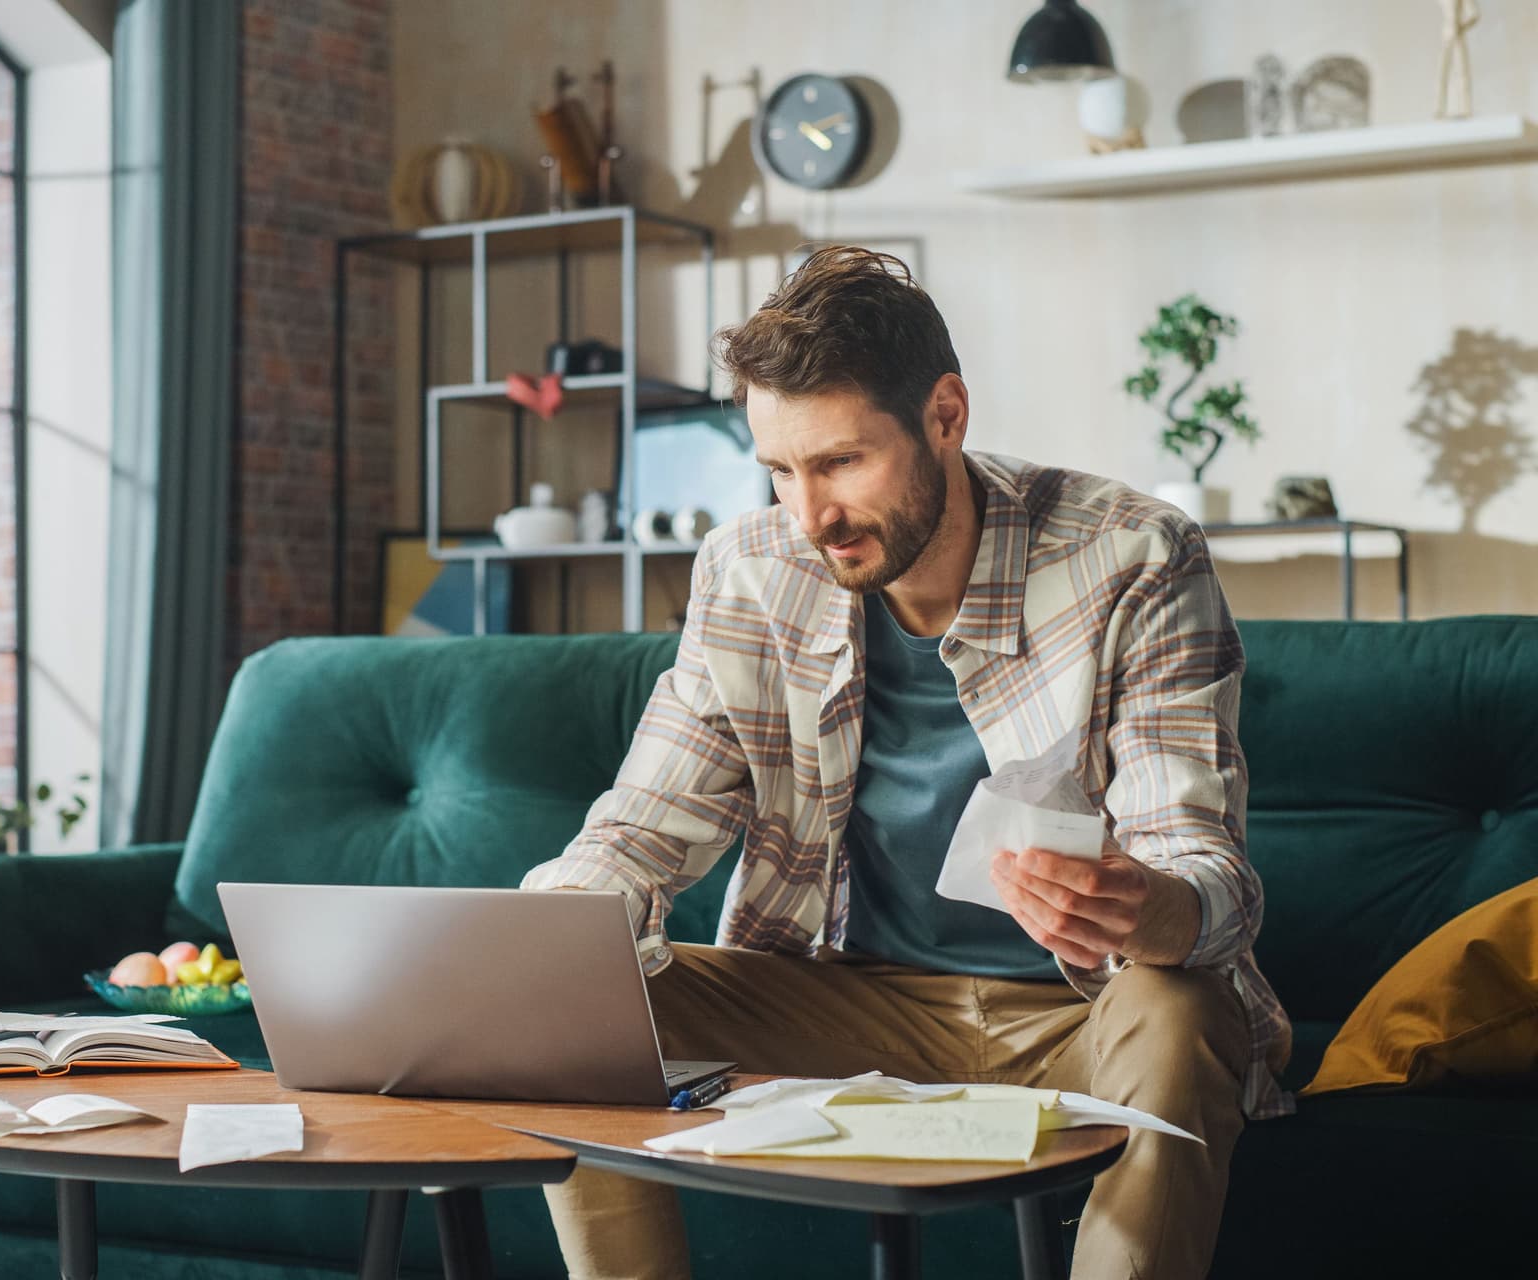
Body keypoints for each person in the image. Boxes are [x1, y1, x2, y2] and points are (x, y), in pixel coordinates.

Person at [521, 246, 1292, 1280]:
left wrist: (1147, 905)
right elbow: (643, 824)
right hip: (844, 1001)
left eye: (840, 462)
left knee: (1185, 1004)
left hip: (1078, 1010)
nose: (810, 514)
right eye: (780, 471)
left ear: (946, 414)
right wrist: (544, 935)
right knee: (578, 999)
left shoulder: (1134, 555)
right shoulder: (748, 570)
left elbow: (1205, 867)